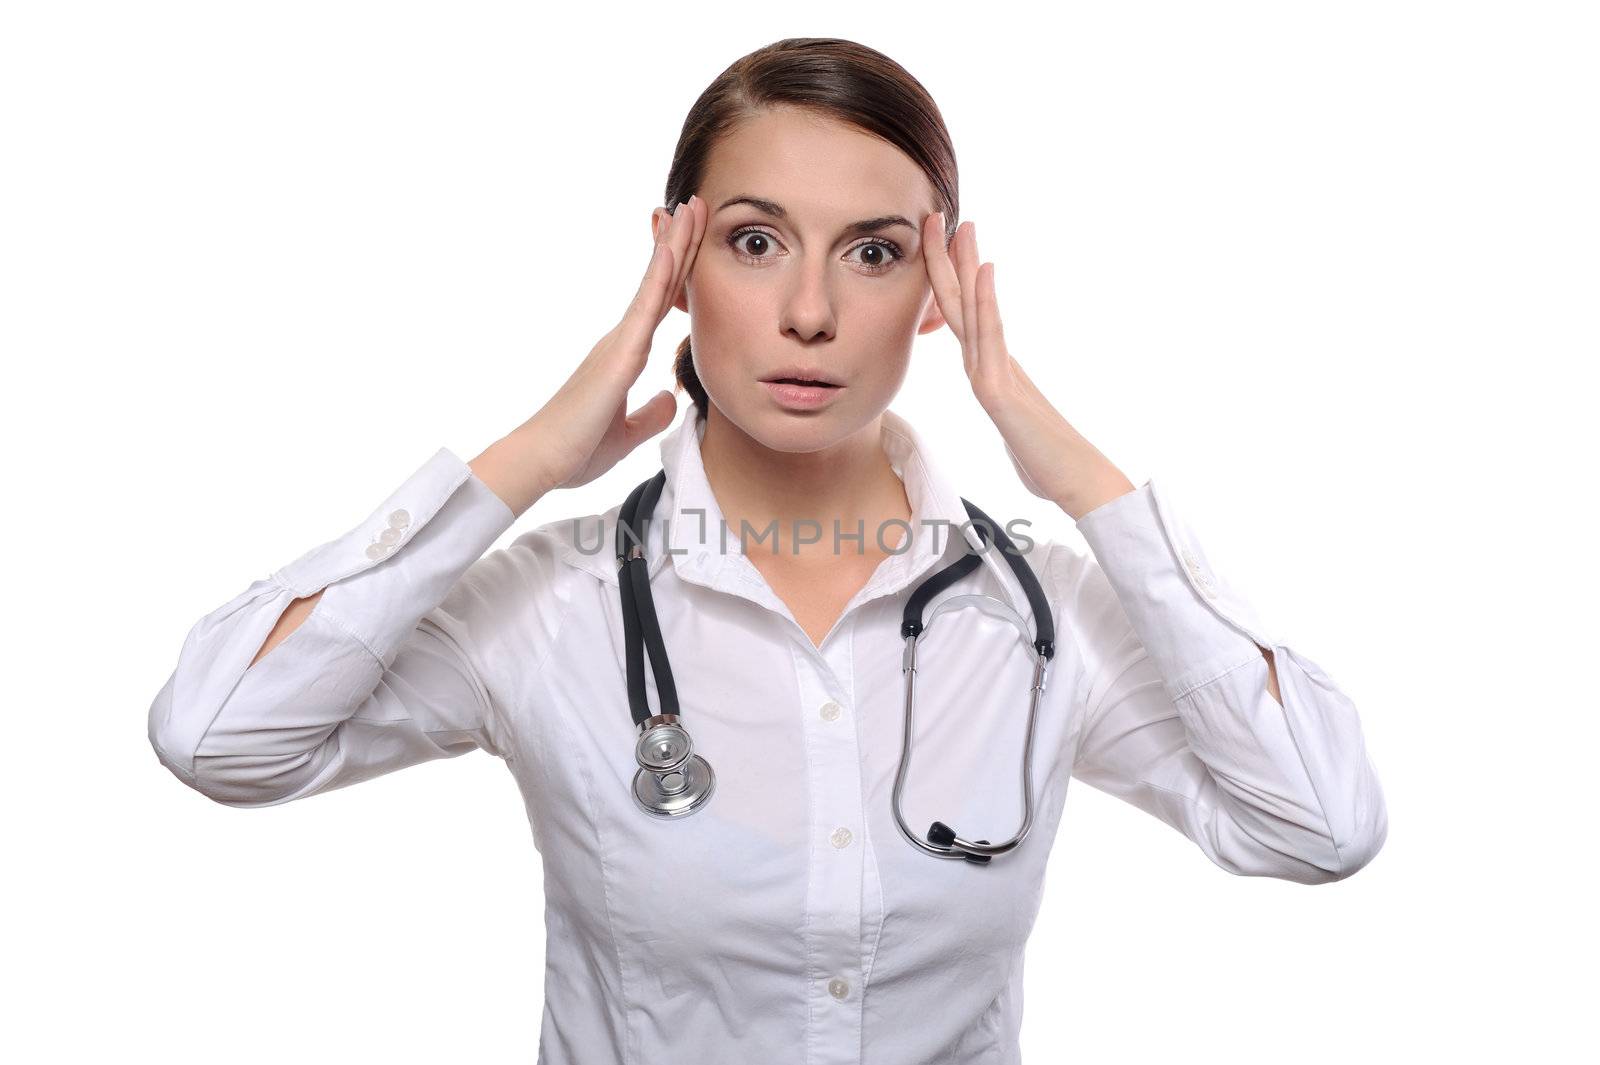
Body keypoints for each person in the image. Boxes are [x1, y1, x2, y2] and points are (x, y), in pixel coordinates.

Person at [147, 36, 1387, 1065]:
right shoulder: (552, 607)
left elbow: (1320, 825)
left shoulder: (1040, 620)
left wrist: (1073, 474)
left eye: (874, 252)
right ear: (676, 261)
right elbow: (219, 735)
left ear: (939, 282)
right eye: (753, 241)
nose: (808, 311)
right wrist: (521, 459)